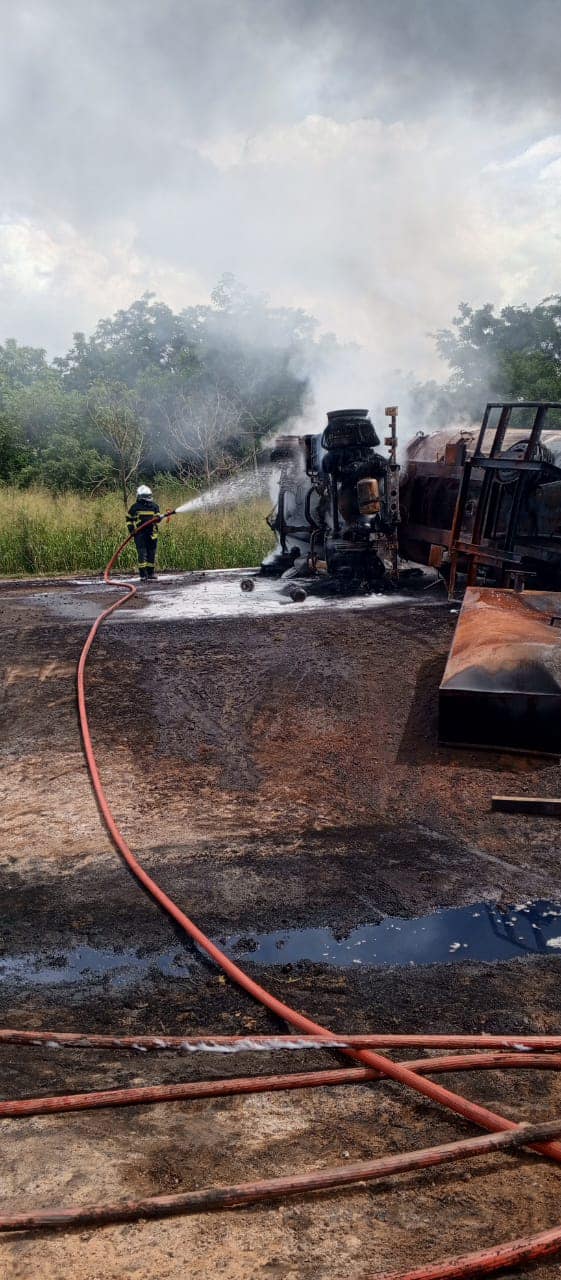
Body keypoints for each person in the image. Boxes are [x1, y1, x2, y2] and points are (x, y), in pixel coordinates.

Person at [126, 484, 161, 579]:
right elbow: (129, 519)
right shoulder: (135, 507)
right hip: (140, 534)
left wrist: (158, 518)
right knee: (142, 554)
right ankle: (143, 574)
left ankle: (150, 573)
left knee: (151, 554)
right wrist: (131, 530)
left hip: (152, 534)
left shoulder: (154, 506)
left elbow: (157, 519)